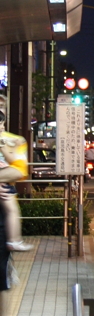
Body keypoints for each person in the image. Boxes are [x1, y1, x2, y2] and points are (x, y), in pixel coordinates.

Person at [0, 96, 33, 253]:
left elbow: (20, 170)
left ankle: (14, 241)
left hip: (6, 188)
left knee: (12, 209)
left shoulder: (16, 140)